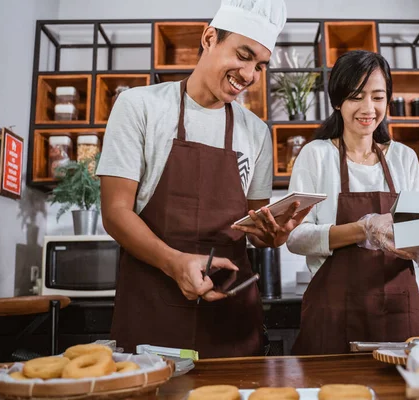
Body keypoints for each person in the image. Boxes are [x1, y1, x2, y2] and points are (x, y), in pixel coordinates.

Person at [96, 0, 310, 359]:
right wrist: (176, 263)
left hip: (230, 314)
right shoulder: (140, 106)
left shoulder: (257, 132)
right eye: (243, 55)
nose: (249, 74)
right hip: (153, 308)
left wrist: (275, 235)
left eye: (259, 65)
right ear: (209, 38)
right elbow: (115, 212)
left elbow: (256, 223)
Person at [288, 51, 419, 355]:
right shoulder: (316, 155)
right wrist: (364, 229)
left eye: (378, 97)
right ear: (338, 101)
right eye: (356, 97)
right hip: (332, 312)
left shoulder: (404, 158)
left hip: (399, 312)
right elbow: (296, 238)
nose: (368, 108)